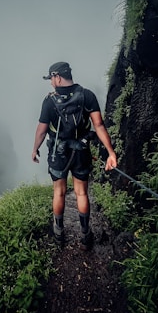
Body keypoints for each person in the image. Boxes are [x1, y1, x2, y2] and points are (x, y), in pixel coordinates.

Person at [32, 62, 117, 250]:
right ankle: (86, 235)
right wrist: (111, 153)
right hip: (81, 152)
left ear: (57, 77)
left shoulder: (49, 101)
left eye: (51, 79)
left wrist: (35, 149)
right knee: (81, 193)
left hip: (58, 154)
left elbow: (41, 130)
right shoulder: (87, 96)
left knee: (59, 192)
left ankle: (59, 233)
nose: (51, 83)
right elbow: (99, 125)